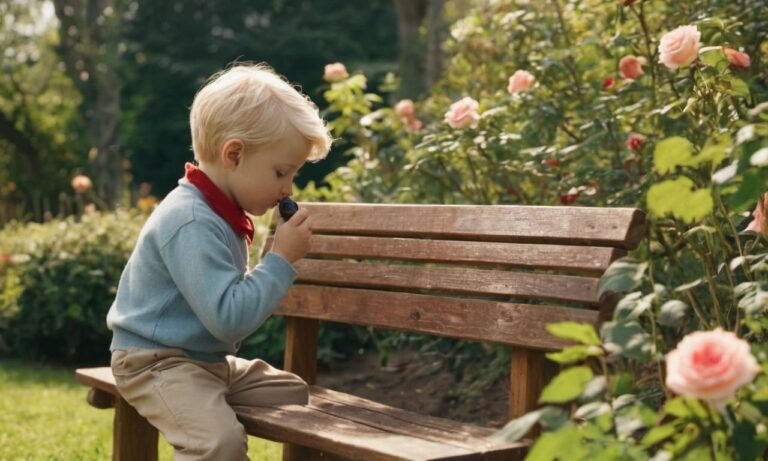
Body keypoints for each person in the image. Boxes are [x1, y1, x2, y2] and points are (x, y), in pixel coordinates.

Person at [106, 63, 333, 460]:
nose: (287, 189)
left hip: (203, 361)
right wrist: (280, 259)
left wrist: (274, 253)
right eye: (282, 172)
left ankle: (209, 395)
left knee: (297, 394)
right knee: (218, 442)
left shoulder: (219, 211)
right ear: (234, 154)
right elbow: (229, 318)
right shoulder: (191, 219)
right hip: (154, 363)